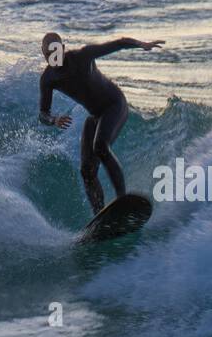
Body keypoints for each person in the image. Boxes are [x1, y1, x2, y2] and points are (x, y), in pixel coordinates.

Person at [38, 32, 163, 215]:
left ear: (63, 48)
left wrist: (141, 44)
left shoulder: (82, 56)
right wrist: (54, 120)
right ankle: (100, 215)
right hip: (96, 115)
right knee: (86, 170)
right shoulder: (48, 79)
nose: (53, 57)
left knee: (100, 146)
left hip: (115, 105)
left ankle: (123, 200)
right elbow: (43, 113)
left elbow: (118, 43)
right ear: (43, 54)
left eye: (56, 51)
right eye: (48, 54)